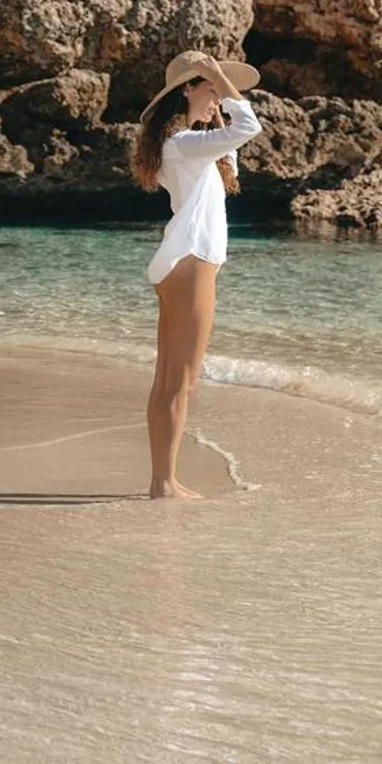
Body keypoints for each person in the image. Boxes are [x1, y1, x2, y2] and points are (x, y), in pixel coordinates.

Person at [129, 49, 264, 498]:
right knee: (180, 381)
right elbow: (249, 127)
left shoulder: (185, 145)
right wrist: (219, 77)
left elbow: (234, 146)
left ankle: (162, 479)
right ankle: (164, 483)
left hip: (179, 265)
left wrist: (217, 84)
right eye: (211, 91)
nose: (219, 100)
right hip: (191, 266)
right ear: (188, 88)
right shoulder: (183, 145)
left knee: (169, 378)